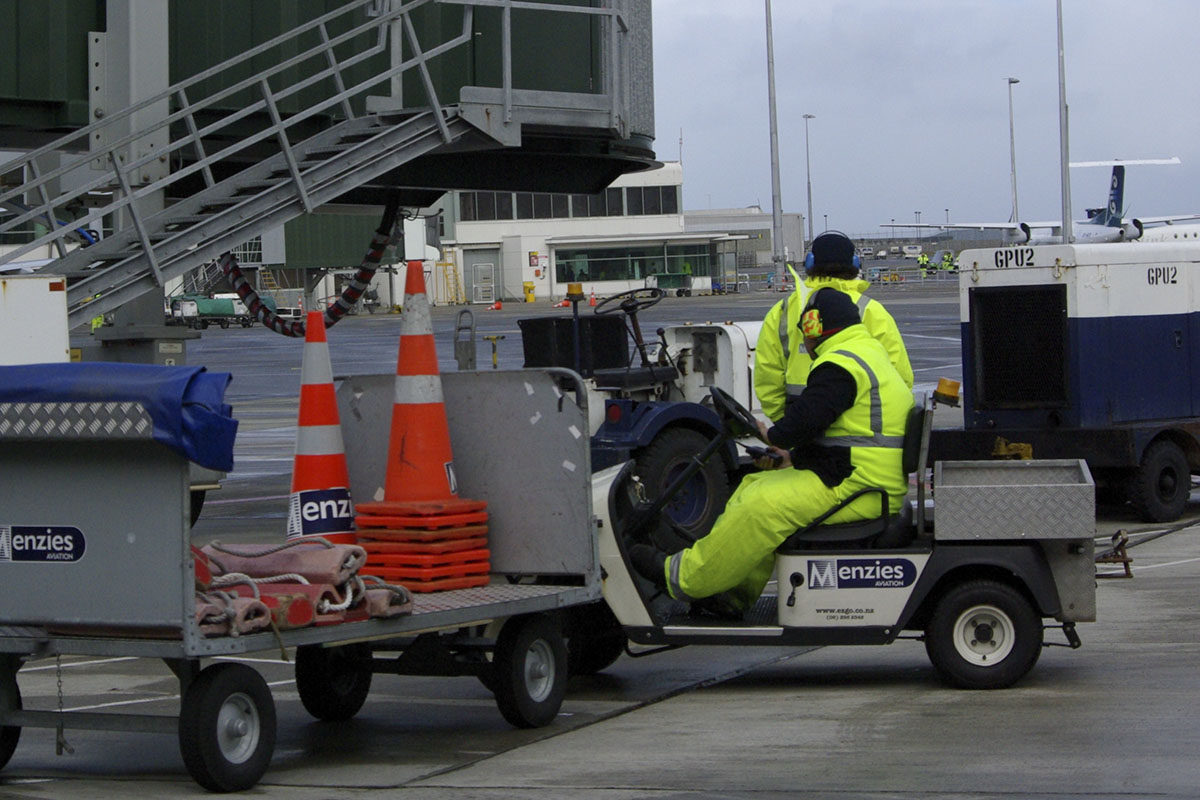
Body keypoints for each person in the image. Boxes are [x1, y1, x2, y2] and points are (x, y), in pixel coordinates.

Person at [631, 288, 914, 613]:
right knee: (754, 485)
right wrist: (791, 458)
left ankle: (682, 579)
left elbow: (803, 422)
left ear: (814, 326)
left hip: (858, 488)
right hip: (864, 479)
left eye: (804, 331)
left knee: (760, 507)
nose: (803, 341)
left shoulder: (840, 364)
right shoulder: (866, 353)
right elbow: (849, 439)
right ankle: (732, 594)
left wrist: (771, 434)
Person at [754, 231, 913, 424]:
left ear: (810, 262)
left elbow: (767, 374)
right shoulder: (871, 310)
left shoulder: (783, 310)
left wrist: (784, 423)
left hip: (799, 421)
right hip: (858, 423)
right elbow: (900, 376)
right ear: (855, 264)